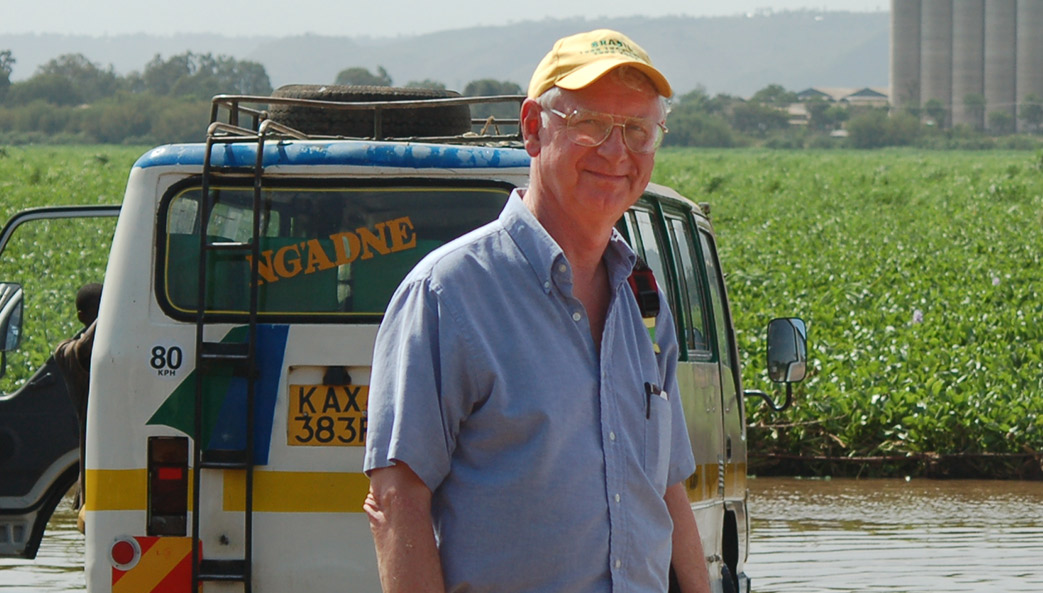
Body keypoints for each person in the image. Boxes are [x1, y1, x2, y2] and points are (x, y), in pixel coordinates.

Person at [363, 29, 711, 593]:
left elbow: (665, 490)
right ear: (532, 128)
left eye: (638, 131)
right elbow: (398, 496)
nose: (616, 152)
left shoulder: (644, 301)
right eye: (590, 124)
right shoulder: (448, 294)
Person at [53, 282, 101, 530]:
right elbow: (84, 349)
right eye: (99, 308)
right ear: (82, 318)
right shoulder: (66, 352)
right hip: (98, 466)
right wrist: (115, 309)